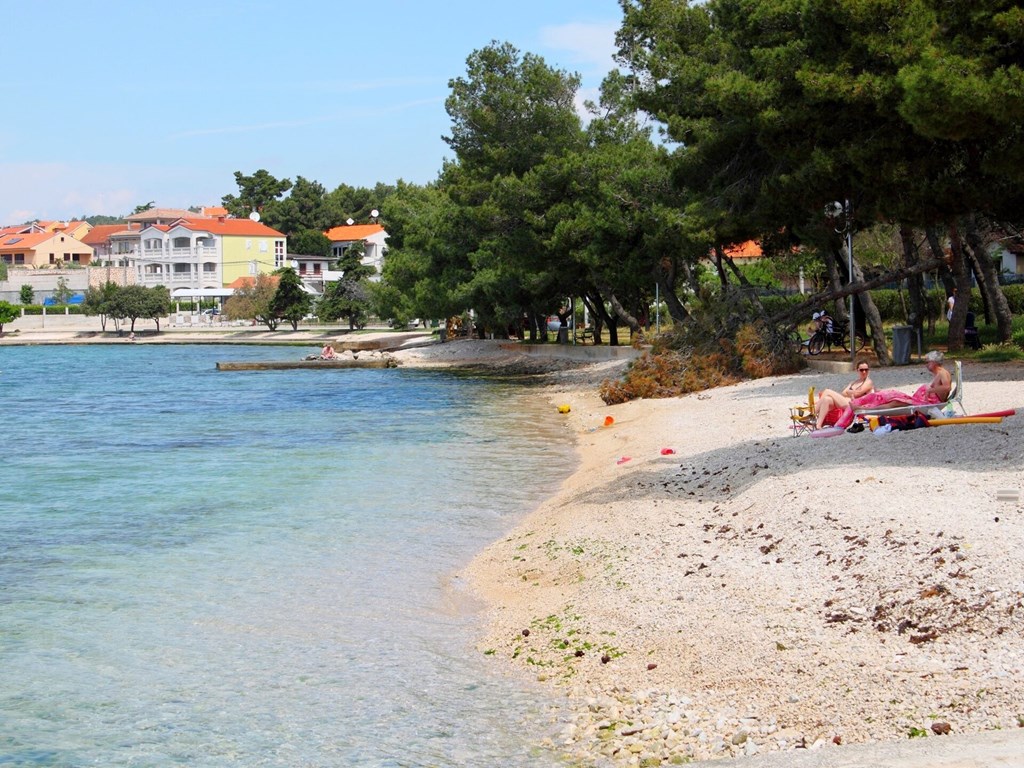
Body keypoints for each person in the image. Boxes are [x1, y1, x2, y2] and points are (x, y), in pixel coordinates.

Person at [849, 350, 951, 412]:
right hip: (919, 400)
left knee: (894, 402)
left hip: (922, 403)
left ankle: (862, 408)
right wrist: (929, 390)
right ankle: (862, 404)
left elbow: (947, 387)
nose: (926, 364)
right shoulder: (939, 373)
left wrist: (929, 391)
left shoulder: (942, 373)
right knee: (891, 395)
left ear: (934, 363)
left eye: (928, 362)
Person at [814, 362, 875, 428]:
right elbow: (843, 393)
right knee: (827, 399)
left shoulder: (868, 382)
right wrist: (852, 392)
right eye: (861, 370)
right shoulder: (854, 382)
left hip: (855, 405)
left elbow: (858, 393)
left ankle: (813, 413)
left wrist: (849, 391)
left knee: (827, 391)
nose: (864, 372)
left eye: (866, 370)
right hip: (847, 402)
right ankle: (818, 425)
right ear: (857, 370)